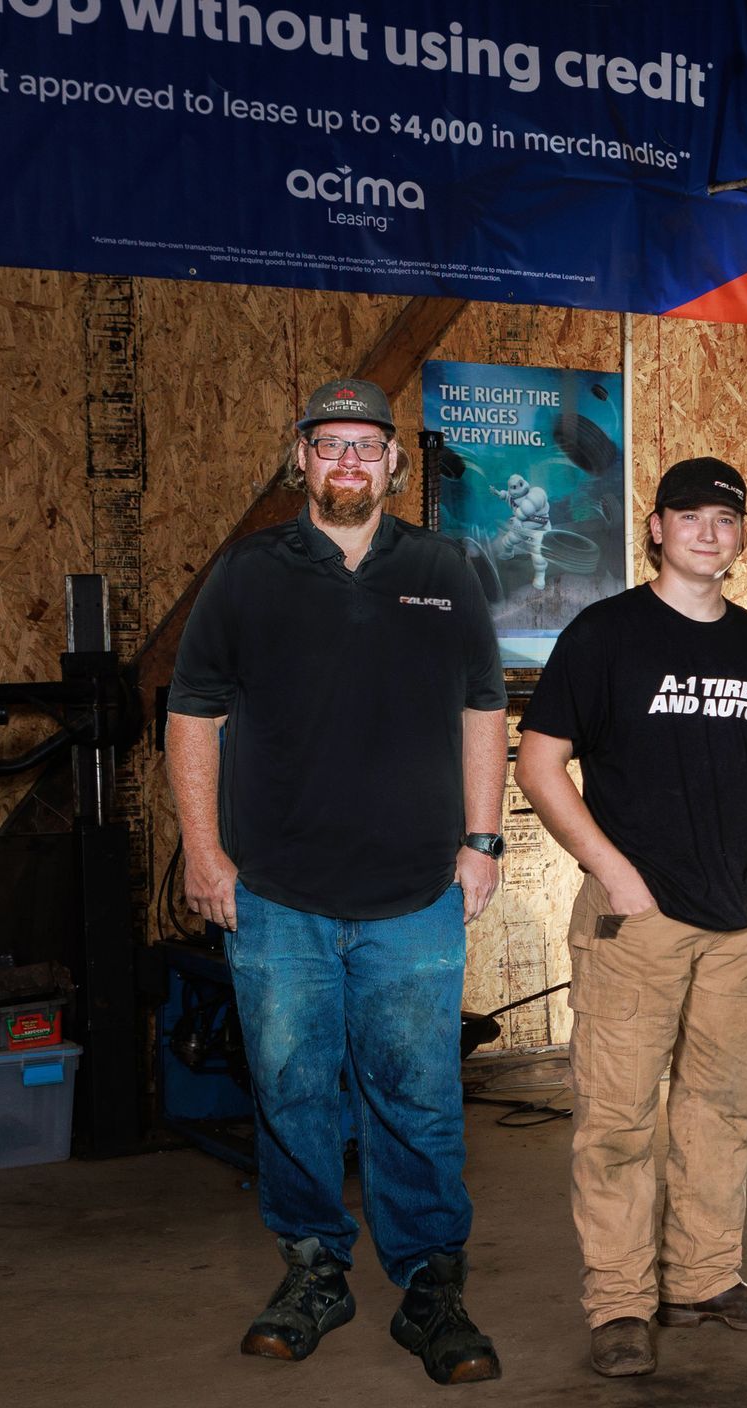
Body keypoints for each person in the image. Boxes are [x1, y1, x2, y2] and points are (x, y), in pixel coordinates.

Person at [167, 378, 509, 1386]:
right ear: (301, 458)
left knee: (419, 1094)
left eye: (367, 447)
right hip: (275, 890)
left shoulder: (445, 569)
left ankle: (432, 1284)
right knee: (291, 1088)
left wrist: (482, 842)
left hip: (415, 890)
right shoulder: (247, 574)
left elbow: (481, 711)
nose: (350, 464)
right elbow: (193, 717)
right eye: (331, 447)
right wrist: (203, 849)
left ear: (394, 464)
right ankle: (314, 1267)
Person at [515, 456, 747, 1379]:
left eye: (726, 519)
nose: (709, 533)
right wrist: (613, 872)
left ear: (741, 533)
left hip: (737, 919)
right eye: (690, 518)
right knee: (618, 1118)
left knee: (725, 1110)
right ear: (655, 527)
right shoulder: (606, 635)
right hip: (634, 920)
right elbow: (538, 761)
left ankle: (704, 1278)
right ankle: (620, 1304)